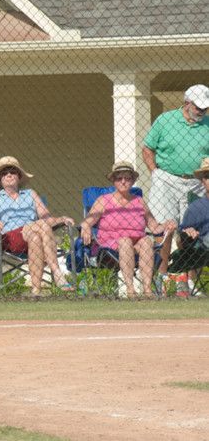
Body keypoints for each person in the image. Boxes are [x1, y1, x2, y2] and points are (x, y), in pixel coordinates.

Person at [0, 156, 75, 296]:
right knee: (41, 226)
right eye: (4, 173)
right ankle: (57, 272)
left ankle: (36, 291)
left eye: (13, 171)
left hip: (32, 234)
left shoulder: (30, 194)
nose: (9, 175)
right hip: (9, 238)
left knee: (36, 237)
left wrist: (61, 218)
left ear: (19, 176)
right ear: (0, 179)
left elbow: (46, 217)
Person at [80, 161, 175, 298]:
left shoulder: (139, 201)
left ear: (133, 180)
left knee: (147, 241)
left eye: (127, 178)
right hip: (109, 247)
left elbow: (154, 227)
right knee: (125, 241)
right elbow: (87, 221)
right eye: (119, 178)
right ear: (113, 180)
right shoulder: (103, 200)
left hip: (136, 244)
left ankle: (147, 289)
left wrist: (167, 224)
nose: (123, 181)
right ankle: (130, 289)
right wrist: (86, 226)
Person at [142, 84, 209, 274]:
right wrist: (155, 172)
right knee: (164, 230)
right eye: (198, 107)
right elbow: (147, 149)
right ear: (187, 103)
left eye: (205, 108)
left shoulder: (208, 124)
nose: (202, 111)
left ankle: (186, 281)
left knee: (191, 232)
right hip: (166, 179)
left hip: (196, 183)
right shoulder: (165, 120)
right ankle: (162, 279)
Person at [175, 157, 209, 287]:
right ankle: (189, 281)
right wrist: (188, 230)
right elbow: (182, 237)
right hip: (204, 247)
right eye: (208, 176)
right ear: (203, 181)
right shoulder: (196, 207)